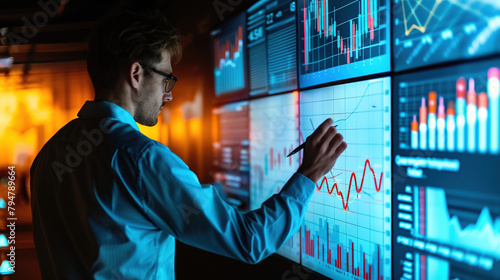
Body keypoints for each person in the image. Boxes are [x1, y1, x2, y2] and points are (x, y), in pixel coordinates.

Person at [30, 11, 347, 280]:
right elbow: (248, 241)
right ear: (136, 73)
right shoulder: (142, 159)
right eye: (166, 79)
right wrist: (308, 175)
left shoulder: (49, 155)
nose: (168, 95)